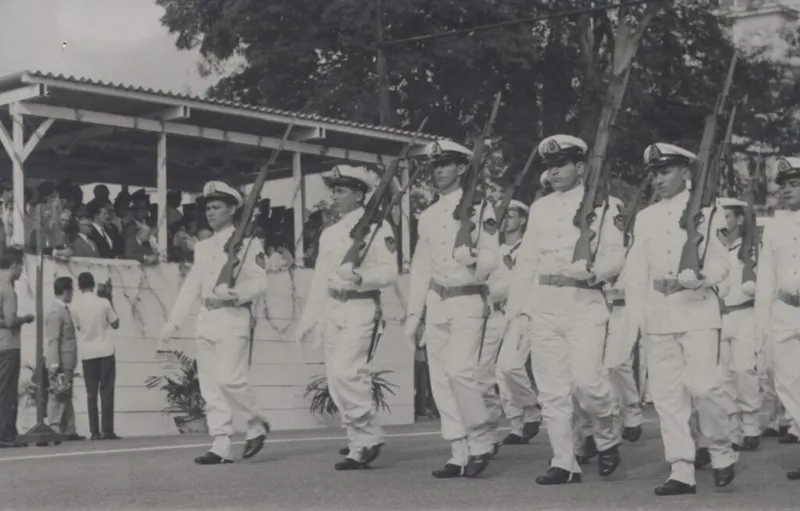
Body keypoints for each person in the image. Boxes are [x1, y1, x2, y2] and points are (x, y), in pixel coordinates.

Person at [504, 134, 624, 485]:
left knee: (589, 384)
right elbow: (526, 264)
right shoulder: (540, 208)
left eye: (561, 165)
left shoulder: (605, 205)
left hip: (584, 305)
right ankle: (563, 461)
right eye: (550, 167)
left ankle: (606, 434)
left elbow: (616, 256)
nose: (554, 172)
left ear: (581, 167)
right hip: (544, 305)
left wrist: (595, 271)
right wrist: (518, 313)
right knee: (552, 390)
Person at [623, 142, 735, 496]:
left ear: (686, 172)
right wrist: (636, 320)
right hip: (658, 313)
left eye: (665, 171)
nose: (658, 179)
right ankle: (681, 467)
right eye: (654, 173)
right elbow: (637, 271)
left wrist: (703, 277)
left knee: (704, 387)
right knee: (667, 397)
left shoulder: (707, 211)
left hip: (697, 309)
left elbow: (722, 261)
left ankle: (720, 450)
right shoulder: (646, 217)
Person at [404, 140, 499, 479]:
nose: (438, 171)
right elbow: (420, 268)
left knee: (460, 372)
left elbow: (493, 256)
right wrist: (414, 314)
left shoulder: (480, 207)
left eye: (446, 164)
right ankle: (458, 451)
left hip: (467, 299)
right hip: (437, 303)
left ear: (461, 168)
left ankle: (481, 439)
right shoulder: (427, 216)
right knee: (441, 380)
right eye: (435, 165)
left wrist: (474, 260)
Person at [295, 165, 397, 470]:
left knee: (347, 373)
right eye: (334, 190)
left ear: (359, 194)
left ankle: (369, 434)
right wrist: (309, 319)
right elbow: (320, 281)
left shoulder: (378, 228)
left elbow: (389, 272)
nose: (335, 196)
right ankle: (358, 440)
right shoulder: (330, 234)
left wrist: (360, 277)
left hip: (361, 307)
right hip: (334, 310)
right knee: (336, 381)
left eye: (341, 191)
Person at [160, 180, 270, 465]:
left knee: (229, 378)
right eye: (208, 208)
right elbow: (192, 286)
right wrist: (173, 322)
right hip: (206, 319)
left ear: (233, 209)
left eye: (217, 207)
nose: (210, 213)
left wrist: (235, 294)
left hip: (233, 317)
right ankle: (221, 444)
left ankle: (256, 420)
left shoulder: (248, 242)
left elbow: (260, 283)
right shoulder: (203, 246)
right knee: (210, 386)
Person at [755, 157, 800, 480]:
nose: (786, 191)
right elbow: (765, 279)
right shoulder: (775, 225)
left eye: (794, 184)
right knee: (788, 385)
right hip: (785, 310)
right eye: (783, 185)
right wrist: (762, 326)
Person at [489, 198, 543, 446]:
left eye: (511, 215)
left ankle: (532, 408)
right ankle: (517, 424)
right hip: (499, 314)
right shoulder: (494, 251)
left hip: (524, 312)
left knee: (511, 366)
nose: (505, 220)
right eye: (503, 215)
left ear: (522, 219)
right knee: (500, 372)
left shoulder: (529, 249)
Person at [716, 197, 761, 451]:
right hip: (719, 315)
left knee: (744, 369)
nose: (724, 221)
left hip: (744, 314)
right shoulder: (713, 245)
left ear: (740, 219)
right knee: (723, 375)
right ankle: (732, 429)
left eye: (728, 216)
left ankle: (751, 424)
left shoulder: (751, 246)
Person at [71, 272, 121, 441]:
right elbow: (115, 324)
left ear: (79, 286)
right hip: (105, 350)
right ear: (93, 285)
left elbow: (79, 328)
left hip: (87, 352)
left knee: (91, 393)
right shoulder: (104, 303)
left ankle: (94, 431)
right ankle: (107, 430)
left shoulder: (75, 306)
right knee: (106, 390)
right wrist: (109, 297)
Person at [0, 246, 34, 448]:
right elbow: (11, 321)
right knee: (8, 390)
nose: (21, 271)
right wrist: (26, 319)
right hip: (8, 345)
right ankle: (6, 433)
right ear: (14, 265)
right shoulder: (8, 290)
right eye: (21, 266)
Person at [44, 276, 85, 442]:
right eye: (71, 290)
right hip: (60, 361)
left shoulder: (63, 310)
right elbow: (54, 339)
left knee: (65, 394)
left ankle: (69, 429)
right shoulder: (57, 311)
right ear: (66, 291)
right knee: (58, 394)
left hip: (66, 361)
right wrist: (54, 363)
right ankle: (54, 428)